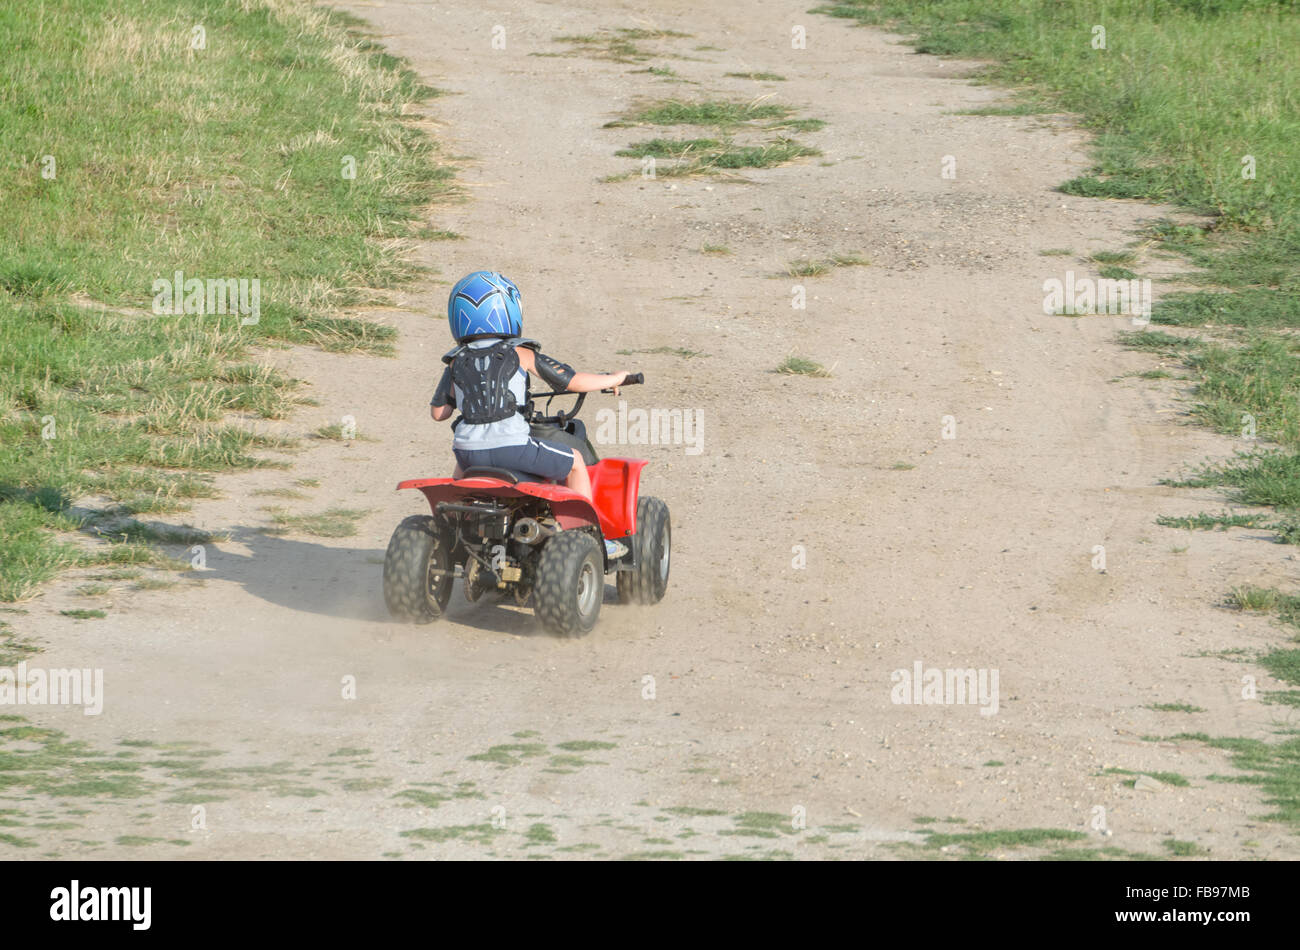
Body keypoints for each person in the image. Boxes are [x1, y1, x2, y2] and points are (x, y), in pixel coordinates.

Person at [429, 270, 627, 507]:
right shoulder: (520, 352)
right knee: (575, 461)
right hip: (513, 448)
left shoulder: (455, 360)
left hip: (467, 454)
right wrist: (614, 379)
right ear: (509, 309)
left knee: (463, 479)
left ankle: (455, 523)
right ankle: (586, 533)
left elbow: (438, 413)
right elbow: (572, 381)